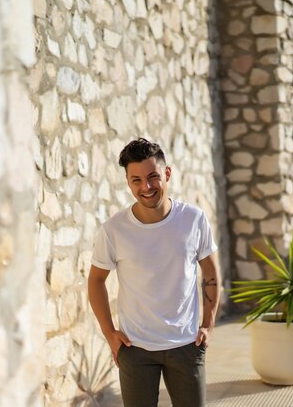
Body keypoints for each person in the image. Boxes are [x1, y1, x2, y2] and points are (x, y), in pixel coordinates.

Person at [88, 137, 221, 407]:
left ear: (167, 173)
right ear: (128, 182)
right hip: (136, 349)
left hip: (186, 345)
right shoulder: (114, 230)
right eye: (136, 180)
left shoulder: (193, 219)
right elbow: (96, 281)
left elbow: (209, 270)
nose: (146, 187)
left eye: (152, 177)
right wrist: (109, 332)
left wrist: (208, 324)